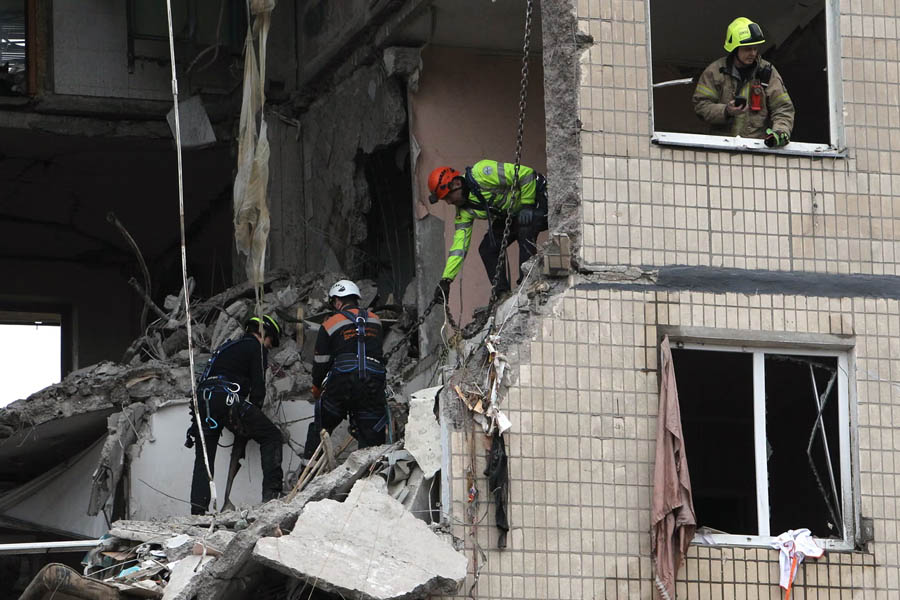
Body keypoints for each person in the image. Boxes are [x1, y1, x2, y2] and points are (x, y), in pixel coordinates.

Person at [187, 315, 283, 514]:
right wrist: (252, 416)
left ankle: (197, 513)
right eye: (270, 343)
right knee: (272, 436)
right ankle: (271, 500)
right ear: (265, 335)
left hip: (204, 402)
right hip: (226, 398)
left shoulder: (226, 348)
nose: (268, 347)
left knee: (204, 460)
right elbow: (258, 389)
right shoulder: (256, 347)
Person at [427, 159, 548, 302]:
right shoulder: (464, 212)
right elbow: (459, 247)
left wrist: (527, 204)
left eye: (448, 196)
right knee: (487, 248)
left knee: (525, 229)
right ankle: (502, 295)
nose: (448, 202)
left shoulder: (482, 173)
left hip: (538, 199)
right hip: (513, 213)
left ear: (457, 184)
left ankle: (527, 284)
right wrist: (446, 280)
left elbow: (526, 174)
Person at [303, 280, 387, 458]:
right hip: (373, 382)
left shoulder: (331, 323)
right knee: (371, 431)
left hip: (343, 382)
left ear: (338, 301)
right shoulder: (376, 321)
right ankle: (372, 474)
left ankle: (307, 471)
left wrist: (317, 386)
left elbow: (321, 361)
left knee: (321, 425)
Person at [692, 17, 794, 147]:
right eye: (747, 49)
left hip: (756, 148)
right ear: (735, 49)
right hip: (721, 147)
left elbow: (783, 107)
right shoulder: (715, 72)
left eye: (755, 48)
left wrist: (780, 131)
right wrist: (726, 111)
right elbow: (701, 106)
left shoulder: (767, 72)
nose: (752, 53)